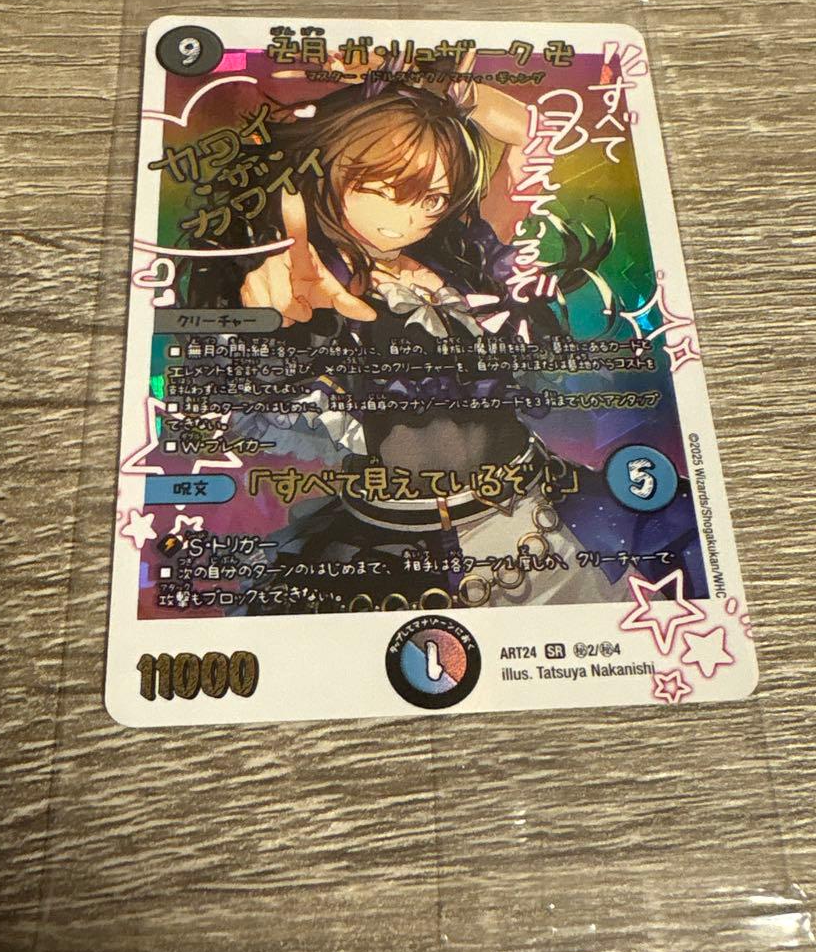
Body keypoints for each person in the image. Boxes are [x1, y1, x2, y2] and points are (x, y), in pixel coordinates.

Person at [183, 71, 705, 614]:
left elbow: (529, 130)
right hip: (392, 541)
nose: (409, 217)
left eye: (432, 196)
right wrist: (264, 310)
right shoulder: (313, 283)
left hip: (537, 506)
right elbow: (232, 383)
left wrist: (437, 81)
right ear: (327, 171)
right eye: (384, 188)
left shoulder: (461, 257)